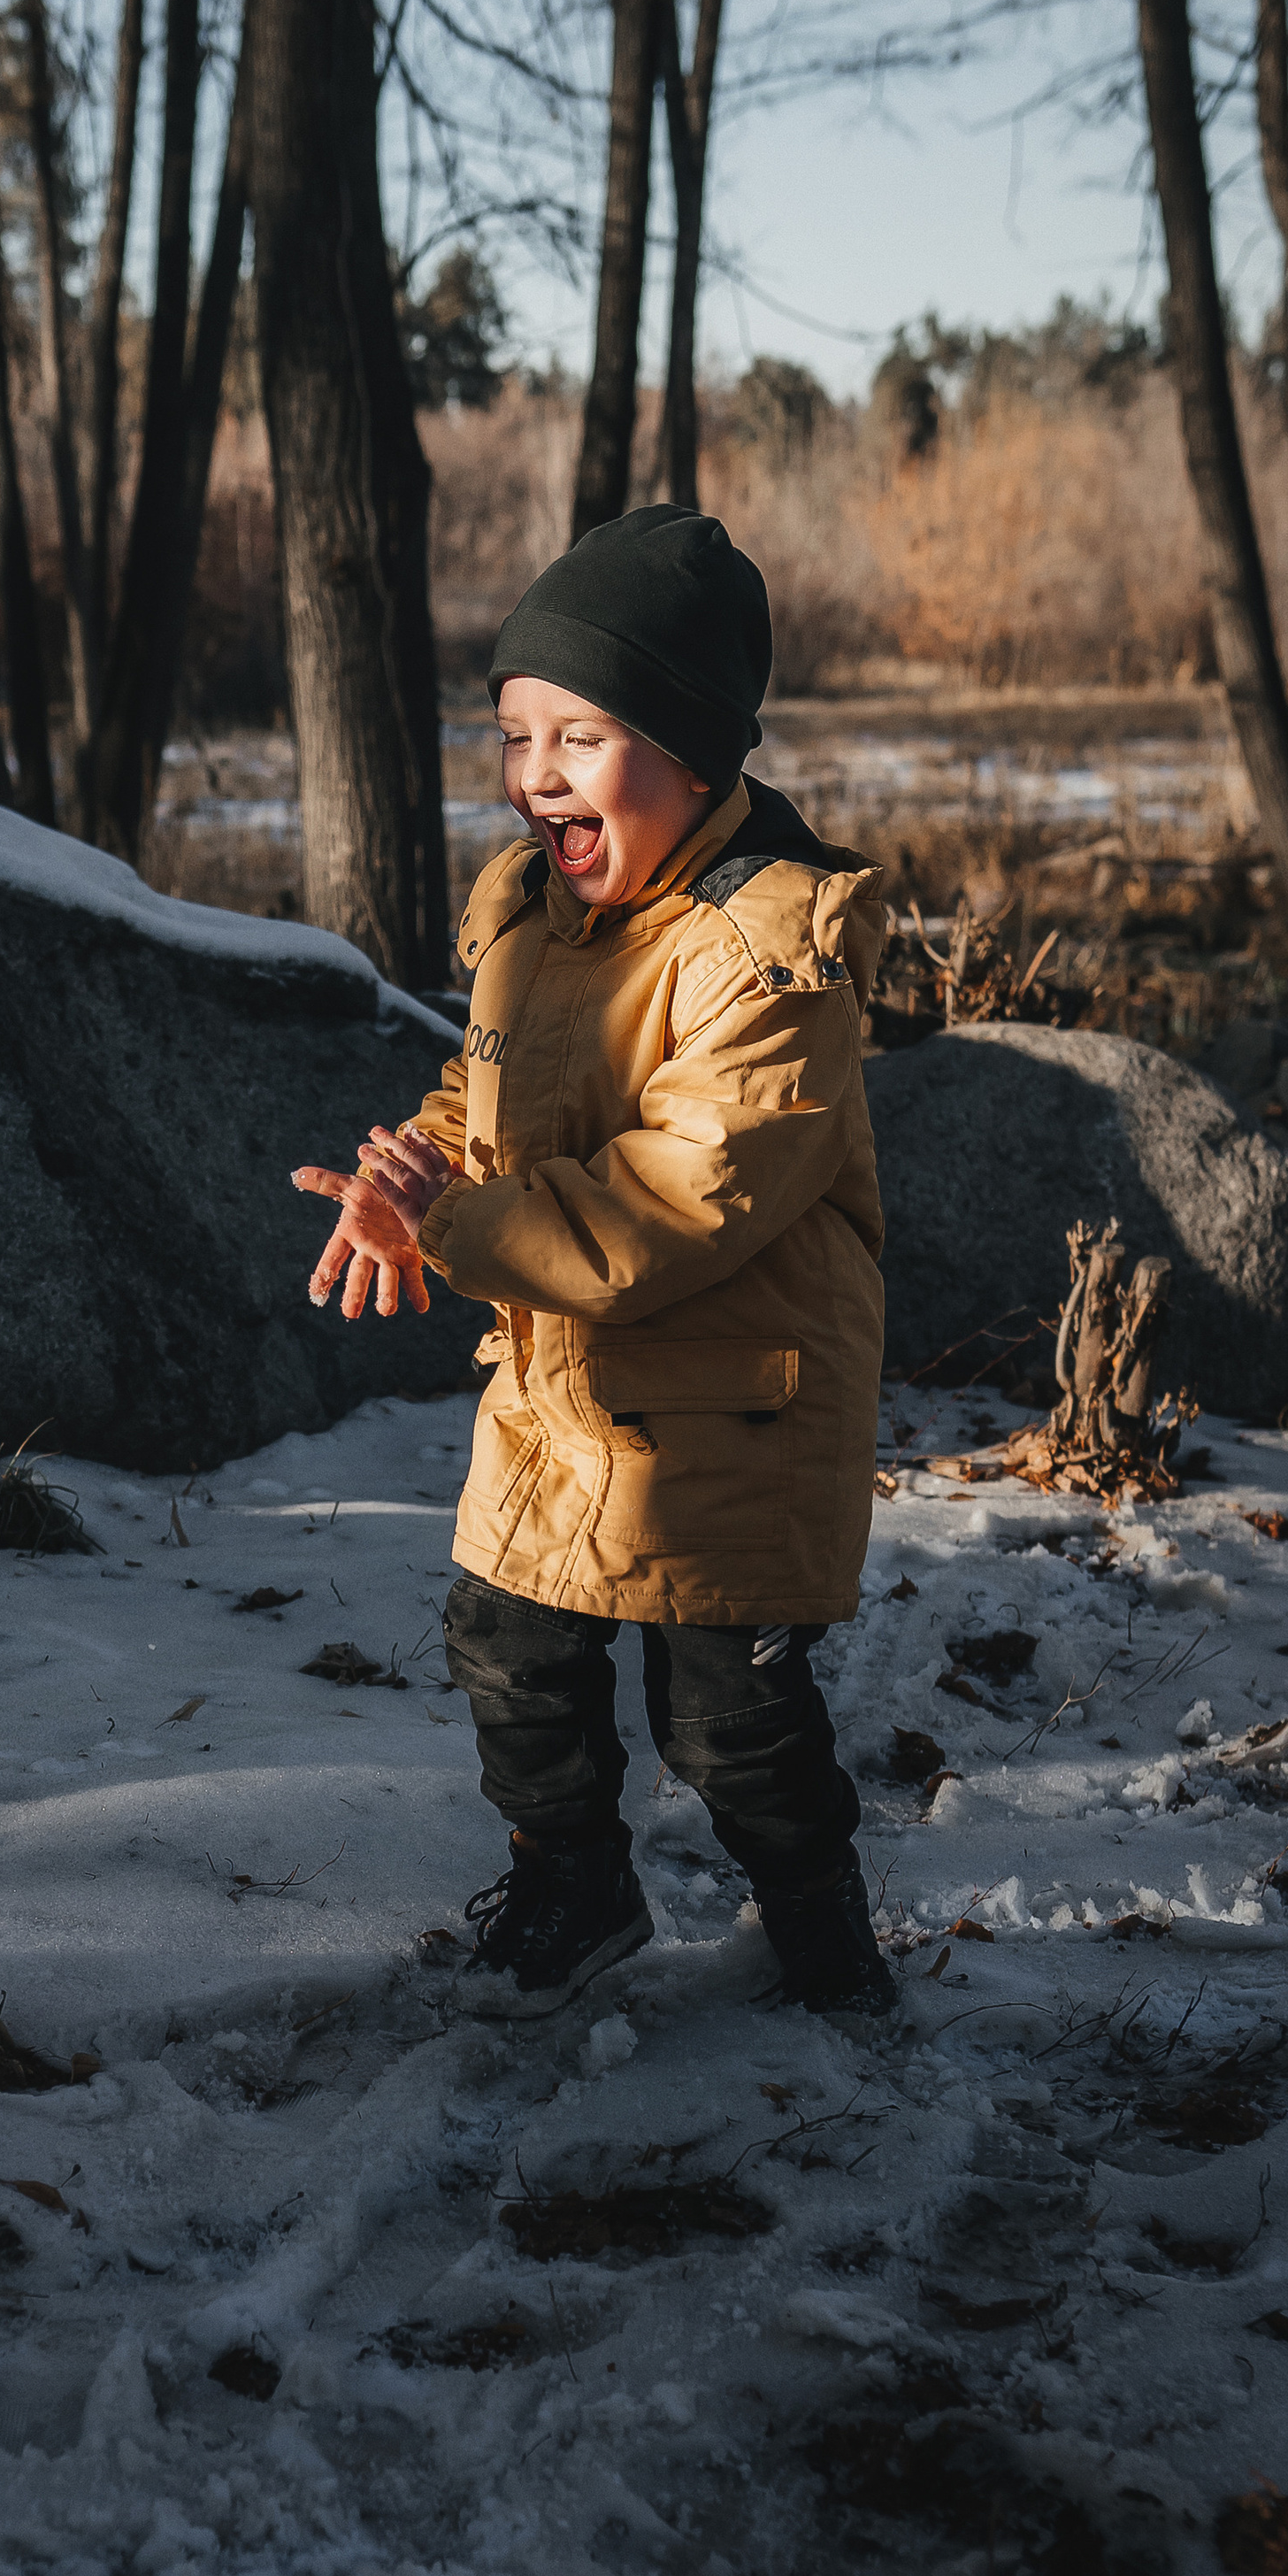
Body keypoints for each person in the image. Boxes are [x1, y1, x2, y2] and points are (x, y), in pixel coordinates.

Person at [295, 505, 895, 2027]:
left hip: (731, 1418)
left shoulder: (769, 965)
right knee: (509, 1657)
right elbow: (481, 1102)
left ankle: (816, 1915)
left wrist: (457, 1225)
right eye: (514, 733)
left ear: (695, 754)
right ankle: (573, 1884)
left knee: (733, 1723)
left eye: (581, 733)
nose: (535, 772)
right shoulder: (534, 926)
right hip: (558, 1398)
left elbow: (672, 1201)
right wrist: (407, 1179)